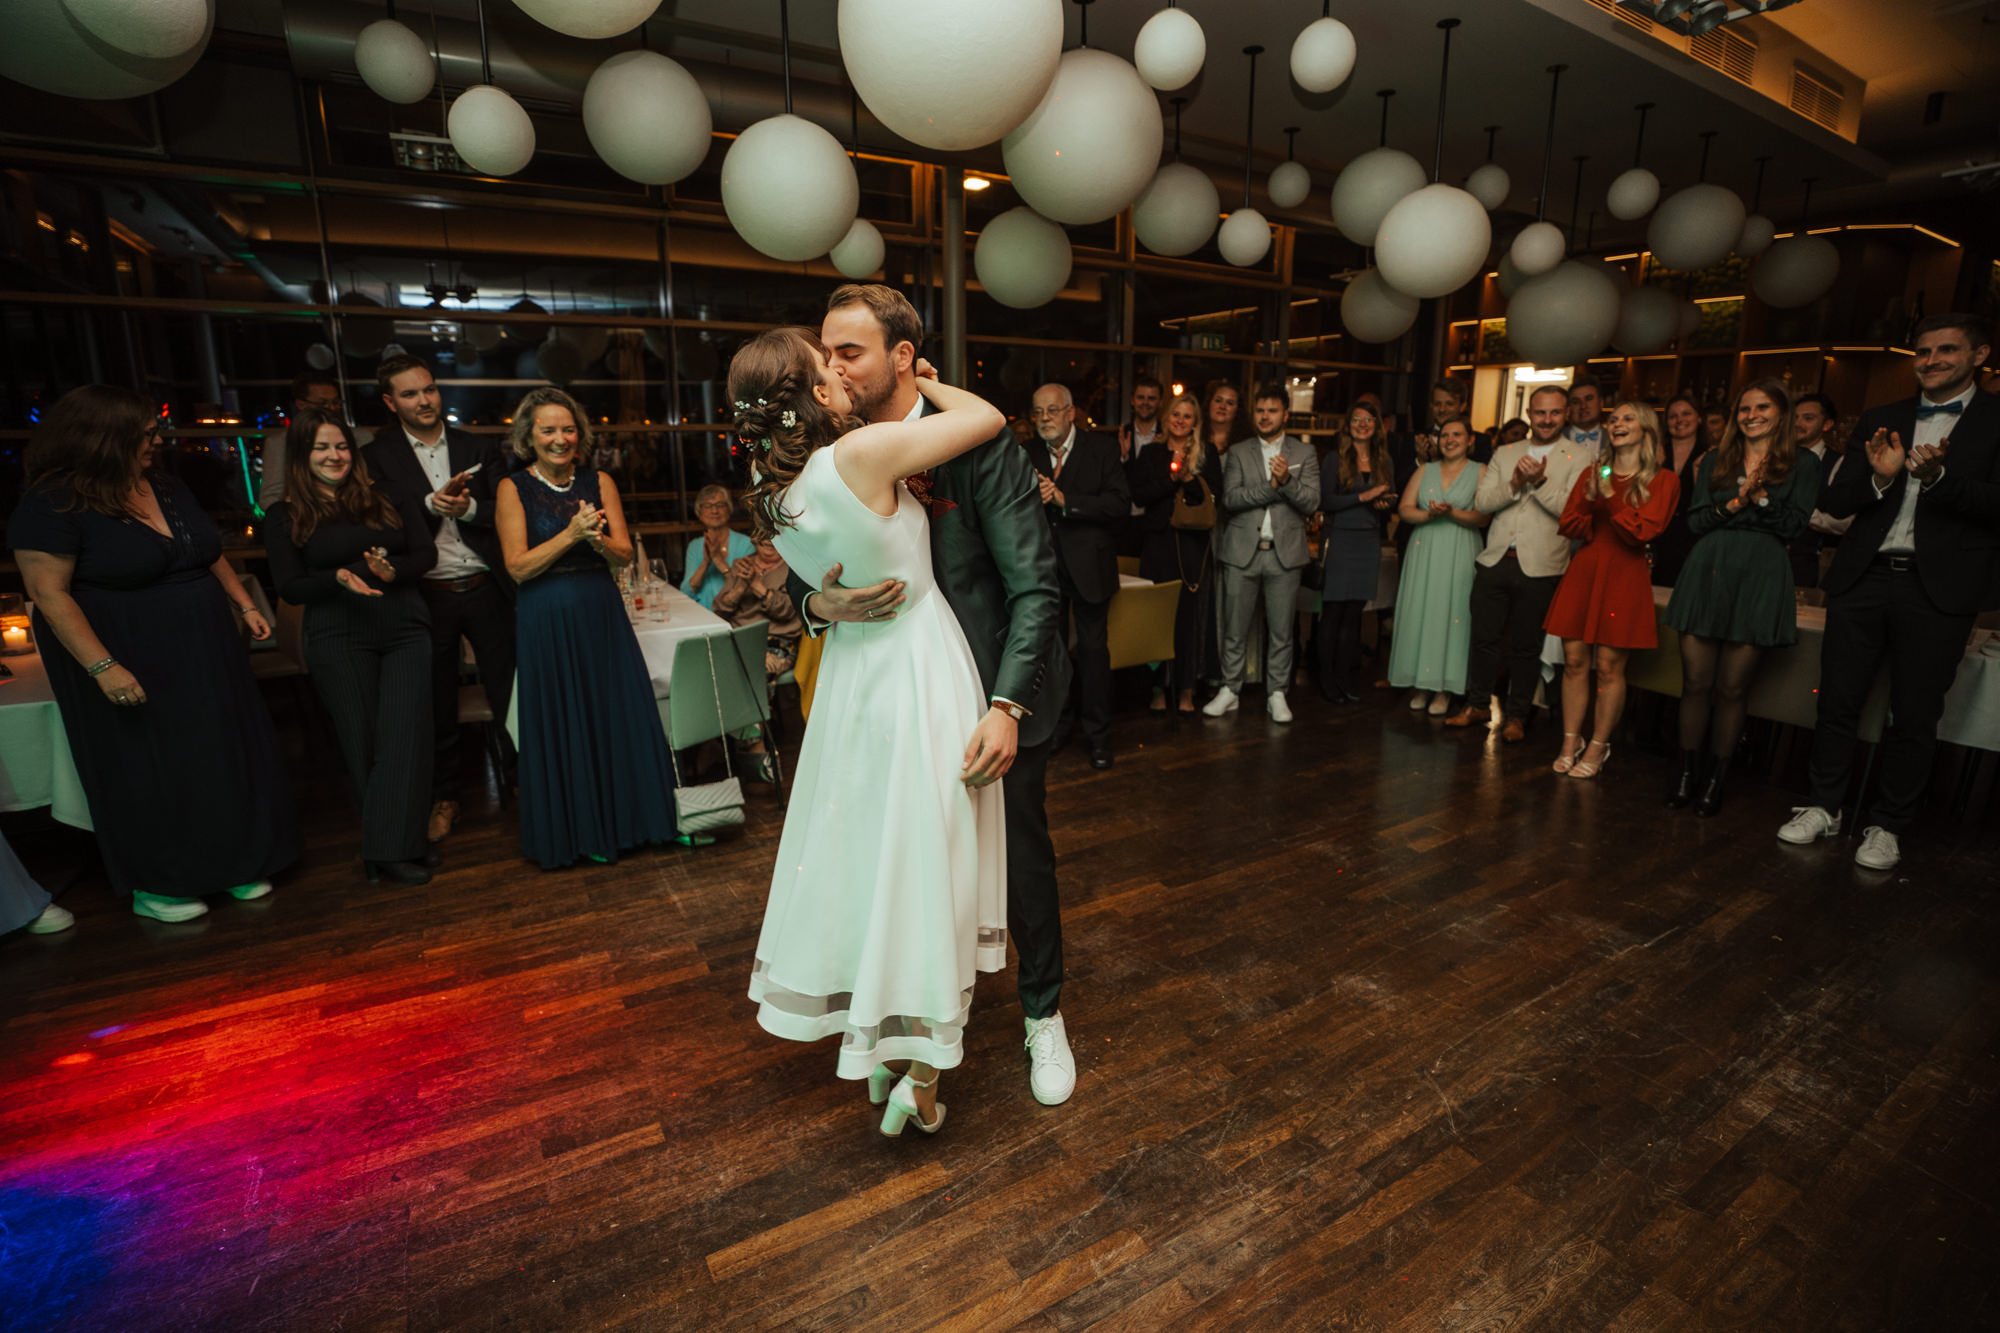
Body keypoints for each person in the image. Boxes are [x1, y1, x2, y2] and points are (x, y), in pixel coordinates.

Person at [735, 325, 1010, 1137]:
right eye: (829, 366)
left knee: (867, 857)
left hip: (851, 685)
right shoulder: (861, 456)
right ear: (817, 394)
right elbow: (988, 417)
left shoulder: (768, 488)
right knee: (932, 855)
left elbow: (810, 590)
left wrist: (822, 606)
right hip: (918, 668)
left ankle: (881, 1045)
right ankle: (919, 1076)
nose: (841, 372)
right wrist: (932, 376)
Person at [810, 283, 1076, 1107]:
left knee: (1019, 859)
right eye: (825, 353)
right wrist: (821, 605)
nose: (832, 368)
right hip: (892, 693)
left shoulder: (977, 448)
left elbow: (1037, 588)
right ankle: (902, 1024)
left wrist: (1006, 706)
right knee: (898, 858)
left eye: (847, 351)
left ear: (901, 358)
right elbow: (802, 562)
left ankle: (1045, 1013)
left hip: (996, 685)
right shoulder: (832, 440)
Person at [9, 385, 299, 921]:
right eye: (146, 434)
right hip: (128, 652)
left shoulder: (162, 483)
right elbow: (50, 594)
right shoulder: (53, 503)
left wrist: (242, 605)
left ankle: (236, 863)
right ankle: (161, 885)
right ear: (104, 439)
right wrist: (103, 666)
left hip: (206, 648)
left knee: (221, 754)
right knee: (154, 768)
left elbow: (203, 551)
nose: (158, 441)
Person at [1779, 314, 1998, 870]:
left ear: (1979, 355)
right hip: (1864, 578)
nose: (1932, 360)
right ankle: (1824, 805)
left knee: (1915, 714)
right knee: (1835, 700)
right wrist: (1879, 477)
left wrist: (1943, 483)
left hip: (1939, 588)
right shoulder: (1884, 417)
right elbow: (1841, 500)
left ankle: (1887, 824)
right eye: (1923, 352)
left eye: (1947, 350)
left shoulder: (1998, 420)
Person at [496, 386, 680, 869]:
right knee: (565, 720)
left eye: (568, 429)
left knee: (613, 711)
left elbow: (622, 555)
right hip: (546, 618)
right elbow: (516, 568)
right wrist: (570, 535)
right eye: (548, 430)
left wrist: (596, 540)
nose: (560, 438)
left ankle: (632, 825)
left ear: (580, 434)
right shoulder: (513, 488)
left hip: (600, 611)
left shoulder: (600, 481)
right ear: (529, 437)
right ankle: (578, 832)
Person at [264, 410, 438, 885]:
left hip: (404, 625)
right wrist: (338, 577)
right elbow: (291, 587)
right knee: (361, 741)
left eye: (340, 446)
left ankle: (392, 849)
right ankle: (395, 848)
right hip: (338, 633)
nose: (334, 456)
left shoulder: (390, 496)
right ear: (301, 454)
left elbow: (425, 555)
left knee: (405, 734)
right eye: (321, 447)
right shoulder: (285, 515)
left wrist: (391, 572)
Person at [362, 353, 515, 846]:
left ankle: (525, 788)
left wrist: (470, 508)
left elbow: (506, 508)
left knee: (510, 693)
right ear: (391, 402)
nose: (424, 400)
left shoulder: (477, 445)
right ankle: (444, 798)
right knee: (436, 703)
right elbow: (381, 524)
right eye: (410, 394)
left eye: (428, 389)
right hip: (427, 594)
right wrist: (428, 506)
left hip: (487, 586)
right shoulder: (377, 456)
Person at [1661, 379, 1821, 816]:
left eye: (1762, 407)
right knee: (1695, 683)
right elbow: (1695, 522)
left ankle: (1716, 780)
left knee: (1732, 688)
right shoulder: (1715, 458)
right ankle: (1686, 774)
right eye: (1744, 408)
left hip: (1761, 573)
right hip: (1708, 567)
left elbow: (1794, 526)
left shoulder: (1802, 463)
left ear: (1781, 413)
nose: (1751, 415)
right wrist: (1734, 504)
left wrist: (1762, 495)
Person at [1443, 386, 1593, 740]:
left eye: (1555, 413)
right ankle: (1478, 705)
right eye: (1540, 413)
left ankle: (1516, 716)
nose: (1547, 419)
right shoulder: (1506, 452)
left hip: (1543, 565)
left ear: (1566, 414)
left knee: (1527, 646)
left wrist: (1538, 482)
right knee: (1483, 639)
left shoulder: (1581, 457)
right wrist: (1514, 482)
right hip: (1495, 559)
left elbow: (1571, 513)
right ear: (1529, 413)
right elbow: (1483, 500)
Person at [1543, 401, 1681, 778]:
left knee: (1607, 667)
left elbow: (1643, 532)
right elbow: (1570, 525)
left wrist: (1605, 494)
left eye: (1627, 418)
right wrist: (1590, 495)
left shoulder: (1663, 479)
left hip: (1624, 574)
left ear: (1646, 429)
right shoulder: (1593, 471)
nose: (1617, 423)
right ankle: (1570, 740)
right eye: (1614, 418)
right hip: (1585, 570)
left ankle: (1599, 745)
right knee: (1573, 661)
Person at [1024, 382, 1129, 767]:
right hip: (1044, 569)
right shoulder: (1028, 452)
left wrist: (1067, 502)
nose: (1044, 419)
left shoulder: (1100, 449)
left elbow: (1119, 504)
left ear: (1071, 412)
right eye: (1038, 412)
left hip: (1089, 569)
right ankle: (1056, 727)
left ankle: (1099, 736)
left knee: (1092, 655)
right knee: (1050, 657)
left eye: (1052, 410)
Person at [1204, 383, 1321, 722]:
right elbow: (1232, 500)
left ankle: (1277, 693)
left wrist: (1288, 481)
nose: (1265, 416)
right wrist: (1272, 487)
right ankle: (1230, 689)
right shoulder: (1240, 452)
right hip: (1242, 551)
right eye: (1260, 410)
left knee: (1282, 631)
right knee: (1234, 628)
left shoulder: (1304, 454)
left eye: (1272, 410)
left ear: (1285, 414)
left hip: (1285, 554)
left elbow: (1312, 501)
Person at [1127, 392, 1221, 714]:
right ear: (1167, 419)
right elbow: (1139, 495)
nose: (1180, 420)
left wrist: (1191, 480)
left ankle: (1186, 690)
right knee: (1158, 620)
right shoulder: (1152, 453)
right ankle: (1157, 688)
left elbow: (1215, 497)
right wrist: (1171, 480)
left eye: (1187, 416)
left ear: (1196, 422)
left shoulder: (1207, 455)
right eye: (1175, 415)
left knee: (1188, 621)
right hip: (1157, 545)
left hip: (1193, 547)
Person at [1386, 419, 1488, 713]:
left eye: (1457, 434)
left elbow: (1483, 518)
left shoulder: (1480, 471)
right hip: (1425, 547)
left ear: (1470, 440)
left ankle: (1444, 688)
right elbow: (1405, 509)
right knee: (1422, 611)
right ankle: (1420, 683)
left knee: (1453, 613)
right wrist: (1429, 516)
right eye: (1444, 435)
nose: (1450, 439)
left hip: (1460, 548)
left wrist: (1452, 512)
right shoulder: (1425, 470)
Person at [1314, 401, 1396, 704]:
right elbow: (1327, 501)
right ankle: (1326, 679)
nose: (1362, 424)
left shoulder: (1384, 459)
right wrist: (1365, 495)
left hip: (1368, 541)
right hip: (1341, 540)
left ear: (1377, 426)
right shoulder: (1336, 459)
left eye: (1368, 419)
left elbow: (1390, 500)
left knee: (1353, 617)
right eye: (1356, 419)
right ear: (1348, 425)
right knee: (1333, 614)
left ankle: (1344, 678)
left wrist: (1384, 503)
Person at [713, 534, 801, 784]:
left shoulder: (793, 567)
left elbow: (786, 612)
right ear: (755, 542)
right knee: (712, 667)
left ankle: (753, 745)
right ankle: (721, 741)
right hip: (741, 638)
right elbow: (720, 608)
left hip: (777, 641)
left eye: (775, 543)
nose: (770, 548)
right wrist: (741, 585)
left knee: (752, 671)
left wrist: (758, 587)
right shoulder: (744, 565)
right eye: (764, 543)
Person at [1649, 392, 1712, 588]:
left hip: (1693, 538)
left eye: (1686, 414)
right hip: (1657, 537)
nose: (1680, 420)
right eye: (1673, 416)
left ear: (1699, 418)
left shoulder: (1710, 454)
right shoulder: (1654, 452)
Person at [1790, 391, 1850, 588]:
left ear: (1827, 424)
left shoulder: (1839, 463)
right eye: (1795, 417)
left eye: (1808, 418)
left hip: (1809, 564)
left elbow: (1845, 522)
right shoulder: (1777, 459)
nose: (1798, 424)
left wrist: (1799, 512)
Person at [259, 370, 345, 508]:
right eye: (322, 403)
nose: (331, 408)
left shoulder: (359, 437)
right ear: (301, 404)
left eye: (335, 402)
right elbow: (270, 498)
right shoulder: (280, 443)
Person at [681, 483, 755, 609]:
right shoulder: (694, 546)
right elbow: (686, 592)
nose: (714, 511)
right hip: (702, 614)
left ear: (729, 509)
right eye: (708, 506)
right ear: (699, 512)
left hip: (735, 613)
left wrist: (717, 558)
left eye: (720, 505)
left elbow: (743, 589)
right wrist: (706, 562)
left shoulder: (746, 544)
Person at [1429, 377, 1491, 463]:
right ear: (1431, 405)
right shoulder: (1417, 440)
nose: (1442, 409)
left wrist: (1440, 458)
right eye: (1437, 404)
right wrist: (1420, 460)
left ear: (1462, 406)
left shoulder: (1480, 442)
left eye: (1449, 404)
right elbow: (1405, 475)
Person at [1118, 374, 1164, 463]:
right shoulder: (1119, 436)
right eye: (1140, 397)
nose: (1145, 402)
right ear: (1132, 400)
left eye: (1151, 398)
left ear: (1160, 403)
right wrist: (1124, 457)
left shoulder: (1167, 435)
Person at [1201, 380, 1246, 457]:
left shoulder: (1245, 444)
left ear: (1238, 410)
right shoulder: (1194, 437)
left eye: (1230, 403)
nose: (1222, 406)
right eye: (1218, 401)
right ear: (1209, 403)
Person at [1566, 378, 1605, 449]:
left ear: (1601, 403)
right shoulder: (1555, 440)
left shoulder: (1614, 438)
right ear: (1569, 408)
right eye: (1576, 402)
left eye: (1588, 399)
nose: (1583, 406)